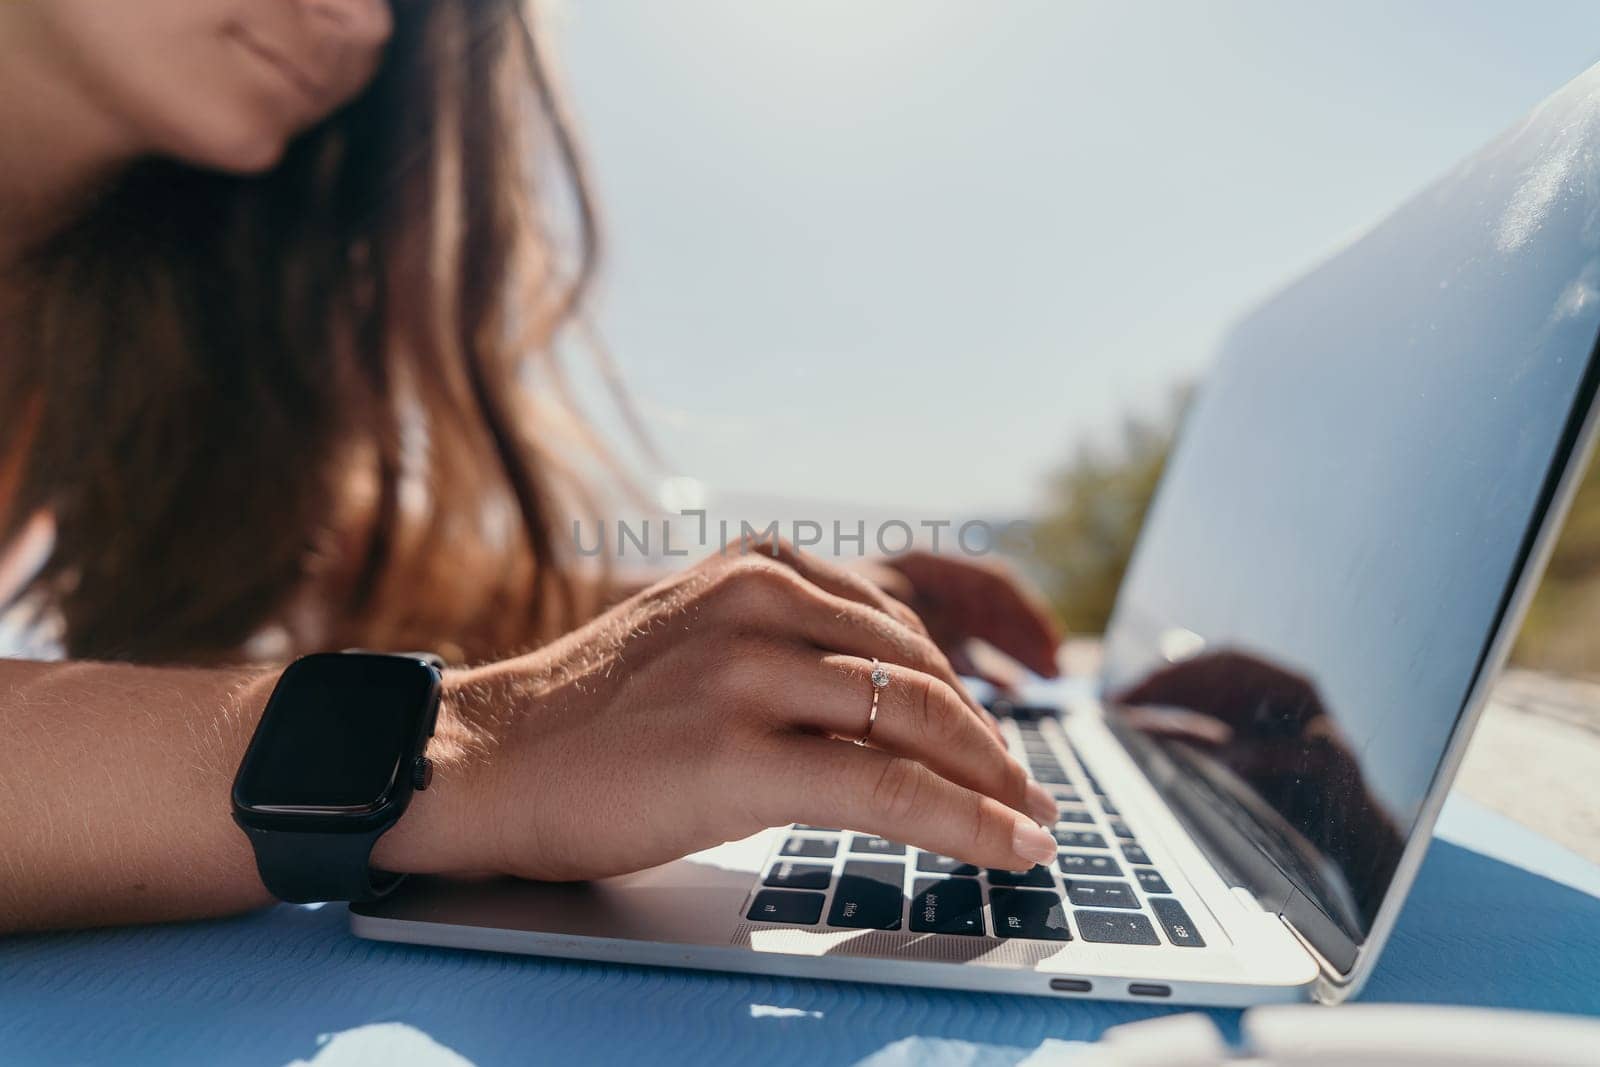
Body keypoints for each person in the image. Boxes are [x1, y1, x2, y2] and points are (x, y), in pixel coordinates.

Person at [0, 0, 1066, 934]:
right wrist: (456, 748)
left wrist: (760, 631)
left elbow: (376, 577)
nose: (367, 21)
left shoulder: (126, 322)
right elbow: (481, 715)